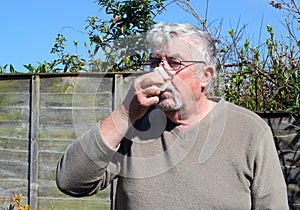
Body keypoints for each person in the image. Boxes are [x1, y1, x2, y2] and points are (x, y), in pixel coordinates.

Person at [56, 22, 289, 209]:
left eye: (174, 63)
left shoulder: (250, 131)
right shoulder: (134, 125)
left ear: (205, 76)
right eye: (155, 62)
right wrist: (126, 112)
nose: (160, 72)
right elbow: (71, 182)